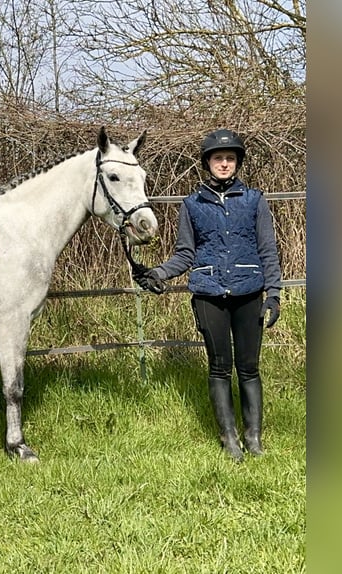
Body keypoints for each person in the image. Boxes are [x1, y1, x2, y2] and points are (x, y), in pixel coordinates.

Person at [134, 128, 282, 462]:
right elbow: (185, 254)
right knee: (219, 367)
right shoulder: (192, 204)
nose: (225, 164)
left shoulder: (255, 200)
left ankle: (253, 437)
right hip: (208, 293)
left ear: (237, 162)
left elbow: (268, 250)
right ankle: (228, 437)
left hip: (248, 291)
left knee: (249, 367)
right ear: (208, 163)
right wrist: (157, 272)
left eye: (230, 158)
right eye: (219, 158)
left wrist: (273, 293)